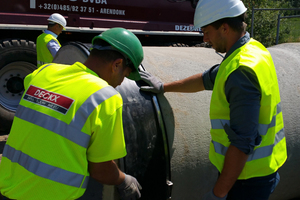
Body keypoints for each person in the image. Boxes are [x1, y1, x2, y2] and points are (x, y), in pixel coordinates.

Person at [139, 0, 287, 199]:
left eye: (207, 31)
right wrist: (164, 87)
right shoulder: (253, 50)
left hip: (247, 179)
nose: (204, 38)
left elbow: (243, 143)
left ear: (224, 28)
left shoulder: (241, 71)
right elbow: (205, 79)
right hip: (259, 170)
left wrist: (219, 193)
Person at [0, 27, 144, 200]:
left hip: (8, 186)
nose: (121, 83)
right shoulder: (106, 97)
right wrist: (124, 180)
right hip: (51, 195)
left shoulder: (44, 72)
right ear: (117, 64)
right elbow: (100, 169)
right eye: (125, 75)